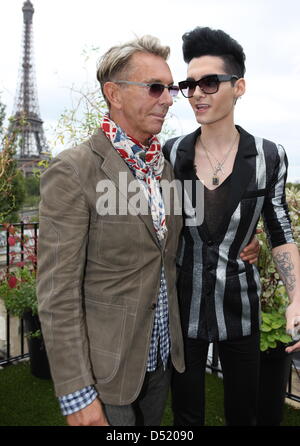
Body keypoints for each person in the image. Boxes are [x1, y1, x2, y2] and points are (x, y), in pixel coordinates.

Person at [37, 34, 259, 427]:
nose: (171, 99)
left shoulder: (166, 167)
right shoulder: (74, 170)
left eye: (170, 88)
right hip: (106, 369)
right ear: (115, 94)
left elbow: (180, 240)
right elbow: (57, 293)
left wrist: (245, 242)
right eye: (156, 88)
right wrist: (77, 395)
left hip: (161, 360)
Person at [163, 26, 300, 426]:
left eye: (210, 82)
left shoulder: (269, 157)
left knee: (245, 413)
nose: (197, 93)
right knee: (186, 416)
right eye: (190, 84)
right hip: (182, 307)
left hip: (241, 308)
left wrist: (296, 296)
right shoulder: (172, 153)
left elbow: (280, 230)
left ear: (238, 87)